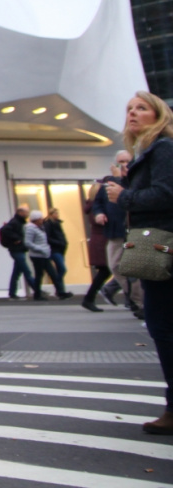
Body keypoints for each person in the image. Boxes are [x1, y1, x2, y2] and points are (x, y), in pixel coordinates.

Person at [105, 91, 173, 435]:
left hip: (163, 247)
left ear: (158, 115)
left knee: (163, 326)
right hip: (156, 247)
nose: (132, 113)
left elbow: (166, 194)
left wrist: (124, 195)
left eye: (141, 108)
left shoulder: (162, 149)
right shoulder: (145, 153)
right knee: (161, 326)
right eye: (129, 108)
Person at [87, 150, 136, 314]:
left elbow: (130, 194)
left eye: (126, 161)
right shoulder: (108, 183)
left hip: (133, 231)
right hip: (115, 232)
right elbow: (98, 202)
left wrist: (117, 178)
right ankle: (134, 298)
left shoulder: (134, 179)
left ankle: (139, 302)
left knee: (136, 269)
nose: (123, 165)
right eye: (120, 161)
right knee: (115, 266)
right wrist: (99, 213)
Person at [1, 205, 39, 299]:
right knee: (26, 271)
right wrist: (16, 238)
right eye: (26, 212)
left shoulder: (19, 222)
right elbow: (4, 230)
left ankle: (12, 292)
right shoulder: (15, 222)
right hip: (16, 250)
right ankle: (37, 290)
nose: (27, 214)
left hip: (18, 250)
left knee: (17, 272)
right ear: (20, 212)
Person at [25, 211, 65, 299]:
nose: (42, 220)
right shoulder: (30, 228)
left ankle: (60, 292)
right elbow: (28, 242)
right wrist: (40, 249)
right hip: (37, 256)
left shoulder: (40, 227)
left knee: (52, 273)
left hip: (44, 255)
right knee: (40, 275)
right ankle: (37, 294)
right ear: (36, 219)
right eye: (40, 218)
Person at [44, 208, 72, 298]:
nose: (57, 215)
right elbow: (48, 237)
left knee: (60, 270)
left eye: (57, 213)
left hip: (60, 249)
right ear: (51, 214)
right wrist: (59, 243)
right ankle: (58, 286)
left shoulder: (58, 223)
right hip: (54, 249)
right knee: (62, 269)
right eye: (55, 213)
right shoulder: (48, 224)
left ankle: (60, 290)